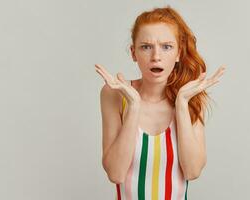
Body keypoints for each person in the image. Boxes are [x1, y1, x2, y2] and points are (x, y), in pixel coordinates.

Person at [95, 5, 226, 200]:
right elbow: (116, 173)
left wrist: (182, 103)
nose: (156, 56)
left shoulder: (189, 96)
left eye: (167, 46)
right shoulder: (114, 94)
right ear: (133, 53)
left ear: (179, 53)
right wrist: (134, 106)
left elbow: (192, 171)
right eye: (146, 47)